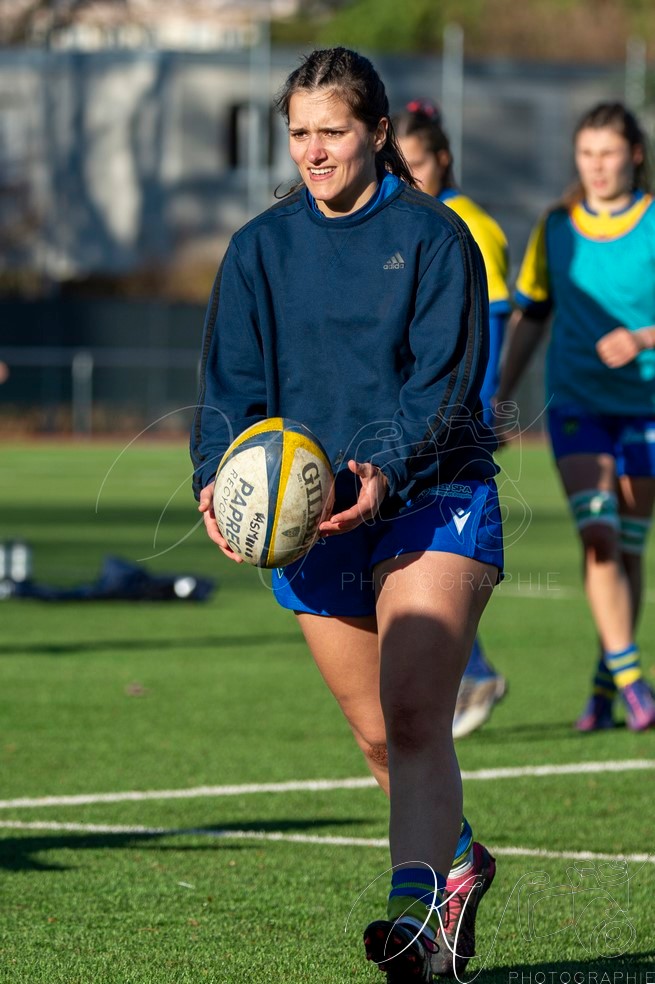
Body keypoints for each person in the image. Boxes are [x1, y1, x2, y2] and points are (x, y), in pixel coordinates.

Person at [191, 47, 503, 980]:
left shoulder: (437, 239)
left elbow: (445, 390)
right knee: (375, 734)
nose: (313, 152)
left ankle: (411, 923)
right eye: (298, 135)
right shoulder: (258, 248)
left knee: (412, 715)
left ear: (376, 132)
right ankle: (457, 865)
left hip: (429, 496)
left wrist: (379, 473)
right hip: (307, 515)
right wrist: (218, 478)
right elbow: (229, 389)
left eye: (332, 132)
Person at [495, 101, 655, 733]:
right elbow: (532, 313)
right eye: (586, 153)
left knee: (631, 547)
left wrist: (644, 339)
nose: (596, 166)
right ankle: (635, 682)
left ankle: (604, 683)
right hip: (578, 407)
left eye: (608, 153)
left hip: (645, 408)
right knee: (599, 536)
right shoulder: (555, 227)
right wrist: (500, 393)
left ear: (634, 155)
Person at [394, 101, 509, 740]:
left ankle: (476, 670)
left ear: (443, 160)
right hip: (417, 425)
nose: (408, 176)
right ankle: (473, 671)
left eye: (417, 164)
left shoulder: (469, 226)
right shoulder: (416, 219)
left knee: (428, 559)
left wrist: (481, 414)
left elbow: (485, 332)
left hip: (451, 434)